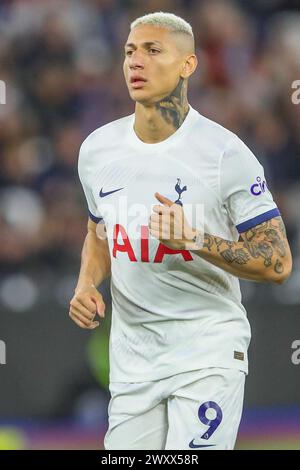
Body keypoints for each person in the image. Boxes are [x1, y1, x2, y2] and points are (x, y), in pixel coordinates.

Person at [69, 12, 292, 450]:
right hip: (132, 364)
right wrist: (86, 283)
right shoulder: (97, 149)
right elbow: (98, 230)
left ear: (188, 65)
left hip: (206, 354)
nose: (136, 62)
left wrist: (194, 239)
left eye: (153, 51)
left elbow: (279, 261)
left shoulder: (225, 153)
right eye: (130, 51)